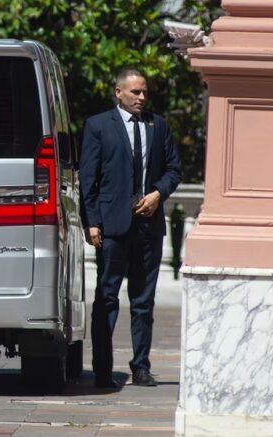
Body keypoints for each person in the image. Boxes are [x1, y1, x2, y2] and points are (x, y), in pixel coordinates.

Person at [79, 69, 181, 388]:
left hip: (148, 226)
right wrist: (92, 221)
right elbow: (88, 178)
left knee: (143, 301)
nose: (141, 97)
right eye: (135, 92)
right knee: (106, 297)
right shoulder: (98, 126)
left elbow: (174, 169)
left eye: (144, 92)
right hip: (112, 225)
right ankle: (102, 369)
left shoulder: (157, 125)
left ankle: (141, 367)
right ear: (118, 92)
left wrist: (158, 194)